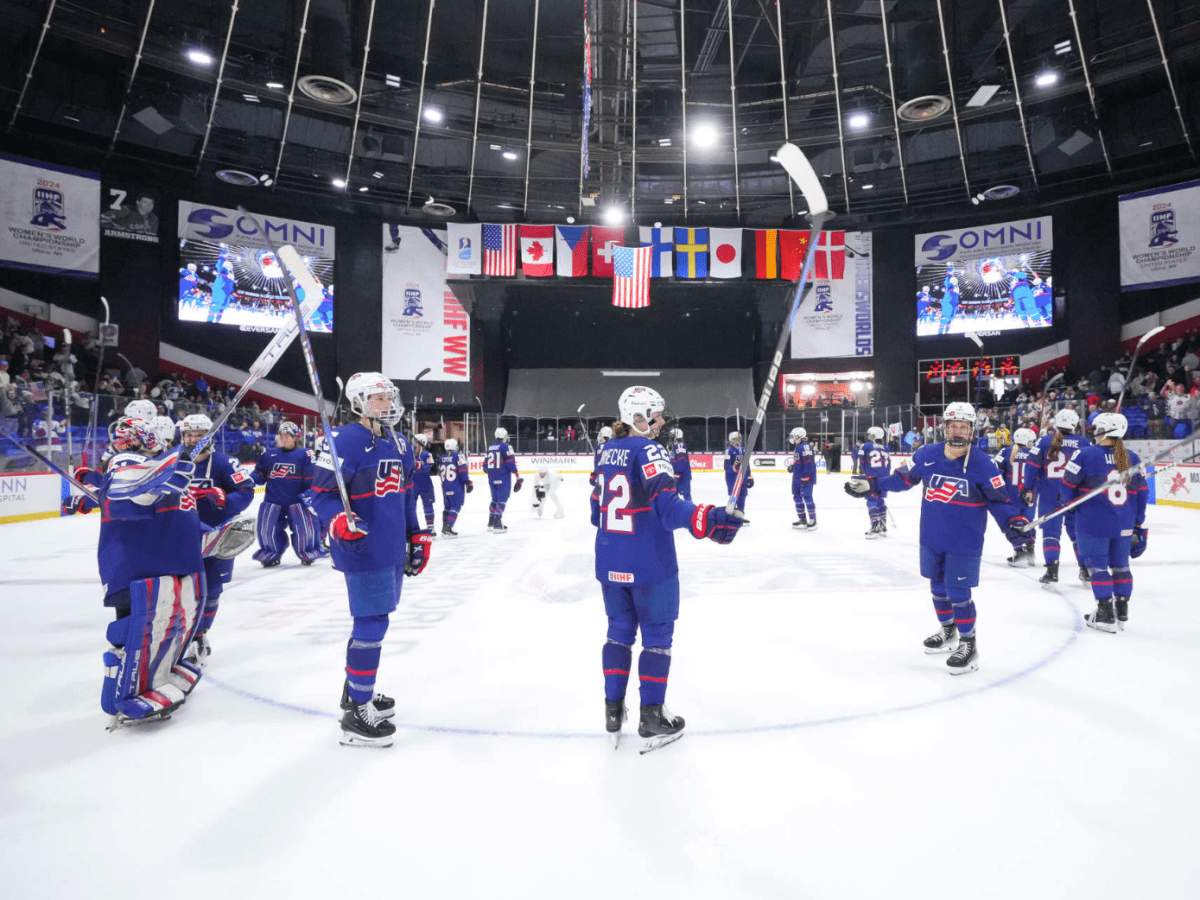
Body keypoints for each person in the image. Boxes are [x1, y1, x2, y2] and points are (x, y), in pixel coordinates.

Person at [592, 386, 744, 751]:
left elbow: (595, 511)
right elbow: (669, 509)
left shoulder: (604, 450)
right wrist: (711, 519)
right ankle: (651, 716)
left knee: (618, 633)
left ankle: (613, 712)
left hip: (610, 558)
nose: (661, 422)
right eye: (656, 416)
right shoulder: (649, 449)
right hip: (650, 563)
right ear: (638, 417)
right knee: (657, 637)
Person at [844, 402, 1030, 675]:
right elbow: (901, 480)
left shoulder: (984, 464)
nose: (958, 430)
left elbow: (1000, 503)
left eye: (964, 426)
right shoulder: (926, 454)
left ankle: (969, 644)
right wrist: (872, 486)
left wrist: (1014, 527)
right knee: (937, 588)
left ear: (972, 429)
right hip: (932, 536)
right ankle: (948, 631)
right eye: (953, 425)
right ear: (945, 427)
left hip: (964, 541)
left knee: (959, 593)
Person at [311, 372, 429, 748]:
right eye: (379, 399)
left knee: (378, 618)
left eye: (389, 397)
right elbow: (319, 494)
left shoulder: (399, 441)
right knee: (372, 622)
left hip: (391, 546)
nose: (388, 404)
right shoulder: (343, 440)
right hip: (362, 547)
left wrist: (417, 535)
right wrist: (337, 519)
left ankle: (357, 690)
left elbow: (407, 495)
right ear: (359, 402)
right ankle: (356, 712)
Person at [90, 417, 205, 725]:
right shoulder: (128, 462)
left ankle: (159, 678)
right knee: (131, 632)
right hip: (137, 566)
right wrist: (152, 481)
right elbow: (126, 495)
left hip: (167, 562)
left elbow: (181, 514)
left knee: (167, 628)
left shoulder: (165, 468)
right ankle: (120, 695)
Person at [1060, 412, 1149, 633]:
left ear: (1101, 431)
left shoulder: (1085, 454)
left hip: (1093, 522)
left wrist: (1070, 504)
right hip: (1124, 523)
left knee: (1097, 567)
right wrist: (1137, 523)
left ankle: (1104, 613)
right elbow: (1141, 494)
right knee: (1121, 567)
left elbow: (1066, 487)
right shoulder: (1132, 458)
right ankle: (1121, 611)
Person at [179, 413, 255, 664]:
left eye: (199, 435)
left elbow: (246, 491)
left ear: (209, 437)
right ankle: (179, 637)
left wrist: (224, 499)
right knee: (180, 590)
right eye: (189, 435)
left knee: (211, 591)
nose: (193, 439)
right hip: (181, 537)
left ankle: (200, 636)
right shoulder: (172, 463)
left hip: (217, 536)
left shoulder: (225, 463)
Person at [1021, 408, 1091, 587]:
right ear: (1075, 424)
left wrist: (1028, 488)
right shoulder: (1084, 442)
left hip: (1050, 495)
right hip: (1075, 496)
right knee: (1077, 534)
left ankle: (1052, 570)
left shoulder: (1044, 441)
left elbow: (1031, 466)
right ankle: (1086, 570)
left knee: (1051, 534)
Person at [250, 421, 323, 567]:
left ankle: (307, 552)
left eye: (287, 435)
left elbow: (312, 479)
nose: (283, 438)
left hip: (297, 500)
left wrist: (310, 495)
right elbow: (259, 475)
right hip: (273, 499)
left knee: (305, 529)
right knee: (267, 529)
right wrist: (248, 479)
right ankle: (270, 553)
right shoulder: (269, 454)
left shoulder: (305, 454)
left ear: (295, 437)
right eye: (281, 435)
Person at [994, 427, 1038, 566]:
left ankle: (1019, 552)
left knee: (1013, 523)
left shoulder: (1007, 451)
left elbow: (996, 471)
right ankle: (1030, 550)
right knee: (1028, 522)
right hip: (1030, 494)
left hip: (1011, 493)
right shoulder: (1035, 452)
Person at [484, 427, 522, 533]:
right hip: (503, 476)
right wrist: (517, 475)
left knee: (494, 499)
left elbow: (485, 466)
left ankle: (491, 522)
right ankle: (497, 522)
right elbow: (511, 463)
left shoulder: (490, 447)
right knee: (502, 500)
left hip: (492, 477)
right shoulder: (506, 446)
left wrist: (492, 472)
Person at [859, 426, 891, 539]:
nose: (868, 436)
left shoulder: (866, 446)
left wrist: (867, 474)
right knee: (881, 501)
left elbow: (862, 462)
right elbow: (888, 465)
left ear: (873, 436)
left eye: (870, 435)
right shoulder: (886, 448)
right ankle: (883, 526)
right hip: (885, 478)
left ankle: (875, 526)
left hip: (872, 478)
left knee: (871, 501)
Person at [437, 438, 472, 537]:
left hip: (445, 486)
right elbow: (463, 471)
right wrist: (468, 482)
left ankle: (444, 525)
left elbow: (440, 472)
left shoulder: (441, 457)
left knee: (447, 507)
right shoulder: (458, 456)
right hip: (455, 486)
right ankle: (448, 526)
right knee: (455, 506)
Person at [787, 426, 817, 530]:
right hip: (797, 478)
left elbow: (809, 464)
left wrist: (806, 476)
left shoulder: (805, 447)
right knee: (797, 497)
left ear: (799, 436)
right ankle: (802, 520)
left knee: (807, 498)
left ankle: (813, 521)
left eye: (794, 436)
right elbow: (801, 462)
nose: (792, 438)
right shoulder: (799, 447)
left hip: (805, 478)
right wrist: (793, 467)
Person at [411, 434, 438, 532]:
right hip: (412, 485)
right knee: (411, 507)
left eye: (416, 442)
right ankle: (412, 527)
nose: (413, 444)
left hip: (425, 485)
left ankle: (430, 526)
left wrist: (419, 467)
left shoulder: (426, 454)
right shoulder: (409, 454)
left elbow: (430, 469)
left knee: (428, 506)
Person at [723, 431, 752, 522]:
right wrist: (734, 468)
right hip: (733, 478)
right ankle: (730, 516)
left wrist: (749, 476)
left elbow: (747, 464)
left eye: (739, 439)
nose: (738, 441)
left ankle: (740, 515)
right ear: (731, 440)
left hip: (742, 477)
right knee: (735, 496)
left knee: (743, 496)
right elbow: (726, 467)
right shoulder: (729, 451)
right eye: (736, 439)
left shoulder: (743, 450)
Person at [668, 427, 691, 502]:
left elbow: (682, 461)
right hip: (678, 474)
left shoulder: (679, 446)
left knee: (686, 495)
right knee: (675, 494)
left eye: (672, 436)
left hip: (681, 475)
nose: (670, 438)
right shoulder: (675, 446)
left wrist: (677, 472)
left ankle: (691, 511)